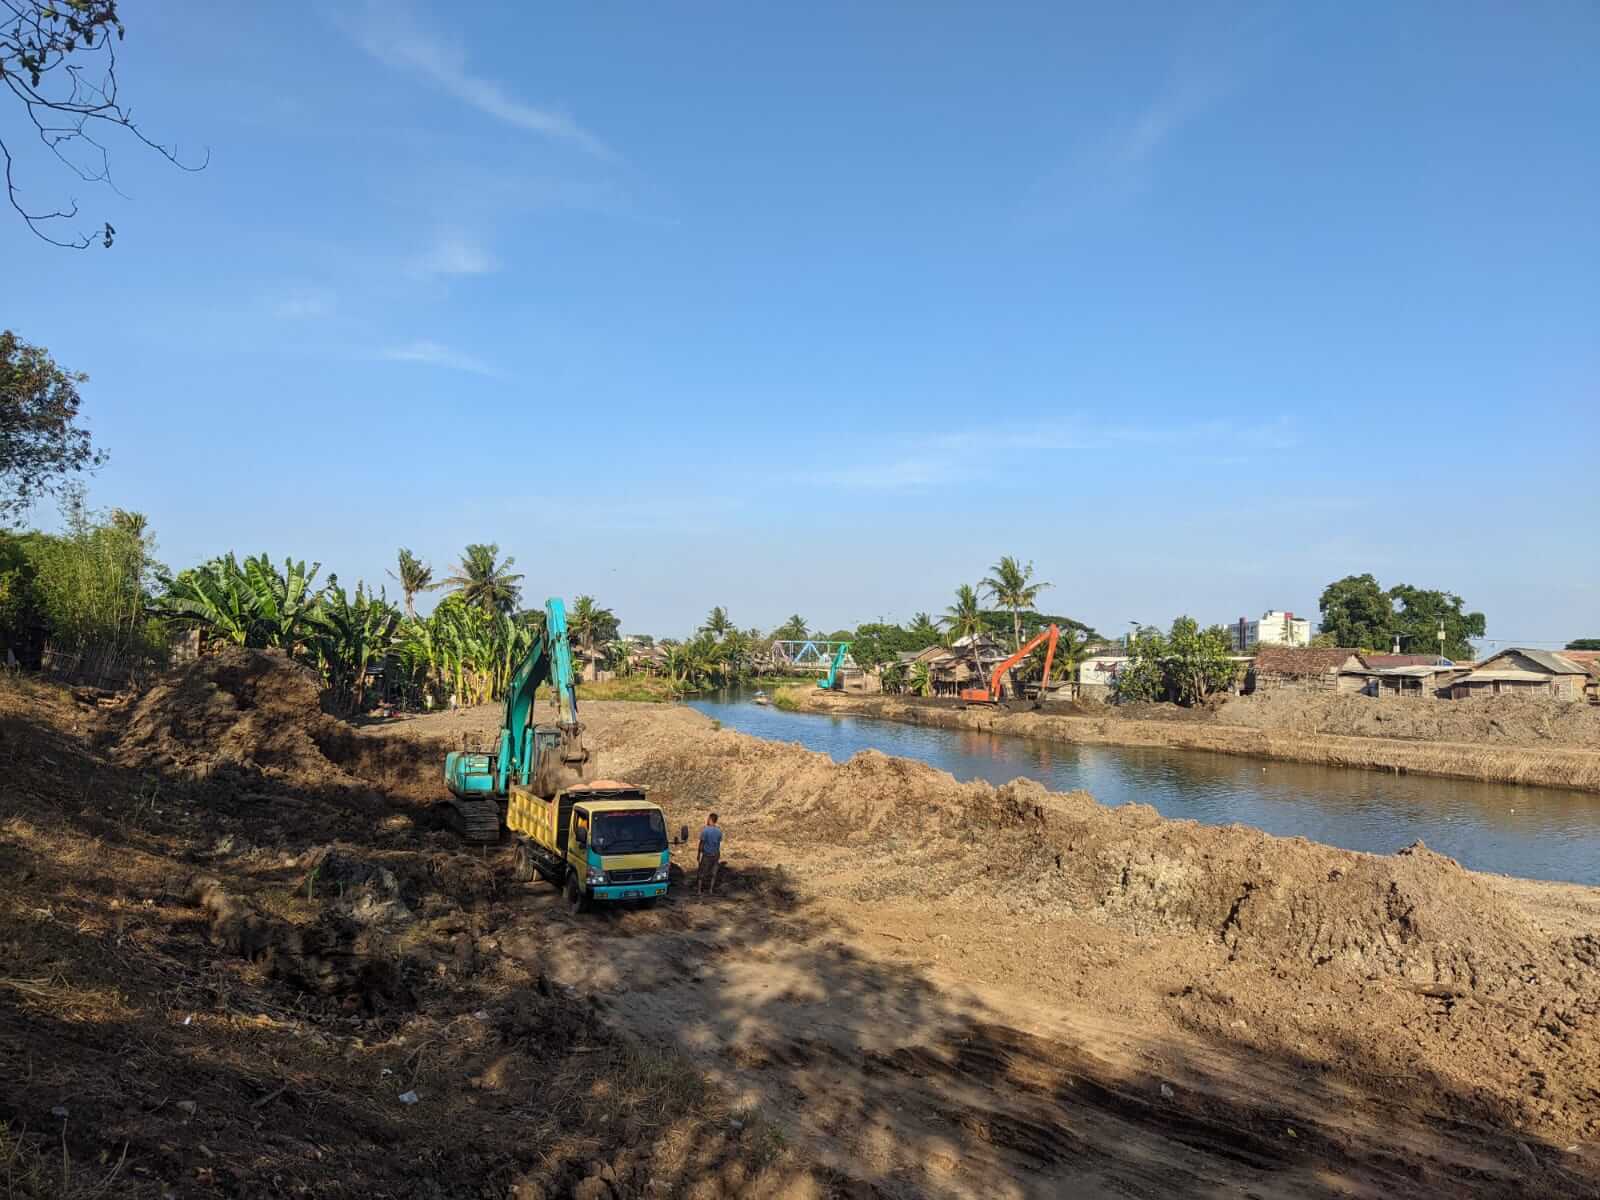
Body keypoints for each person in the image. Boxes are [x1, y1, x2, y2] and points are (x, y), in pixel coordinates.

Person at [697, 812, 723, 895]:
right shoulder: (719, 831)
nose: (707, 820)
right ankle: (710, 890)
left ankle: (699, 890)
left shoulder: (705, 830)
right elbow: (718, 843)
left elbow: (701, 843)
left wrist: (698, 854)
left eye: (708, 819)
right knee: (713, 873)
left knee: (701, 873)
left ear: (710, 820)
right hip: (716, 855)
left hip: (707, 855)